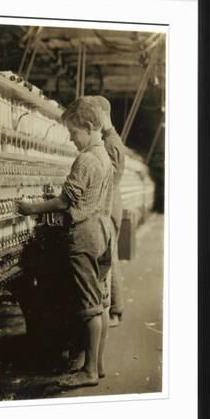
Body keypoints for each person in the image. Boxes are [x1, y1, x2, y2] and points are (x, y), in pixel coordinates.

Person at [16, 97, 114, 387]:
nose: (72, 139)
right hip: (102, 231)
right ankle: (97, 364)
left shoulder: (85, 159)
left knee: (88, 306)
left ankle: (89, 373)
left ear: (88, 126)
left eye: (74, 133)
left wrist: (31, 207)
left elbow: (64, 201)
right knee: (100, 301)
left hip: (84, 236)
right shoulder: (104, 156)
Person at [86, 95, 126, 326]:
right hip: (111, 203)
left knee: (109, 258)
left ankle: (113, 311)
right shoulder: (111, 140)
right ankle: (114, 309)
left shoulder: (111, 143)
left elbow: (108, 179)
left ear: (101, 115)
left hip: (109, 206)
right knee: (111, 257)